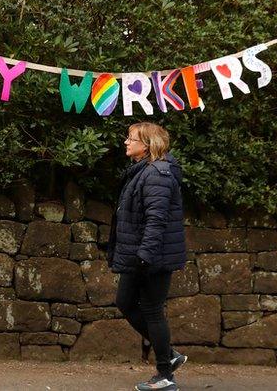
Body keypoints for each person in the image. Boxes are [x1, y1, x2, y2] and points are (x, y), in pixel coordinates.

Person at [107, 122, 188, 391]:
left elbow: (157, 219)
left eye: (131, 139)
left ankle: (165, 375)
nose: (126, 142)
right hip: (140, 254)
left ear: (147, 144)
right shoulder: (144, 171)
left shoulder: (157, 174)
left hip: (152, 257)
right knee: (125, 301)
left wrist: (145, 255)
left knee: (152, 310)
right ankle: (170, 356)